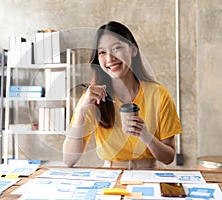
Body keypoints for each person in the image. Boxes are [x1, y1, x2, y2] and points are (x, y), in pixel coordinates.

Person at [62, 21, 182, 169]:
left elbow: (168, 157)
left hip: (149, 175)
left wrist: (146, 135)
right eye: (102, 52)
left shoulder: (159, 95)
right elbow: (69, 160)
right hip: (110, 176)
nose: (110, 58)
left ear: (133, 50)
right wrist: (81, 109)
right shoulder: (93, 98)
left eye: (116, 48)